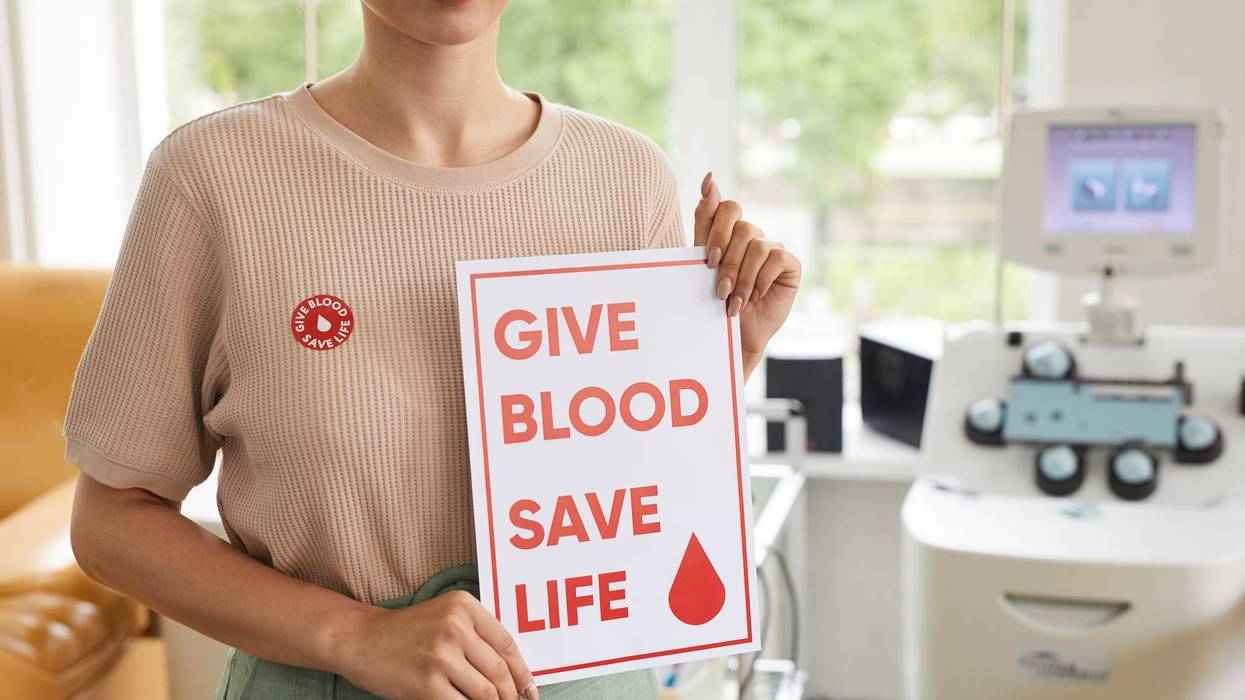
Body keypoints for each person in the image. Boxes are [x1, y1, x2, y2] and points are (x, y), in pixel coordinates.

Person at [64, 1, 801, 698]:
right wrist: (356, 636)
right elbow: (111, 521)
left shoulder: (624, 176)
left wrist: (720, 354)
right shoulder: (212, 179)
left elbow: (622, 480)